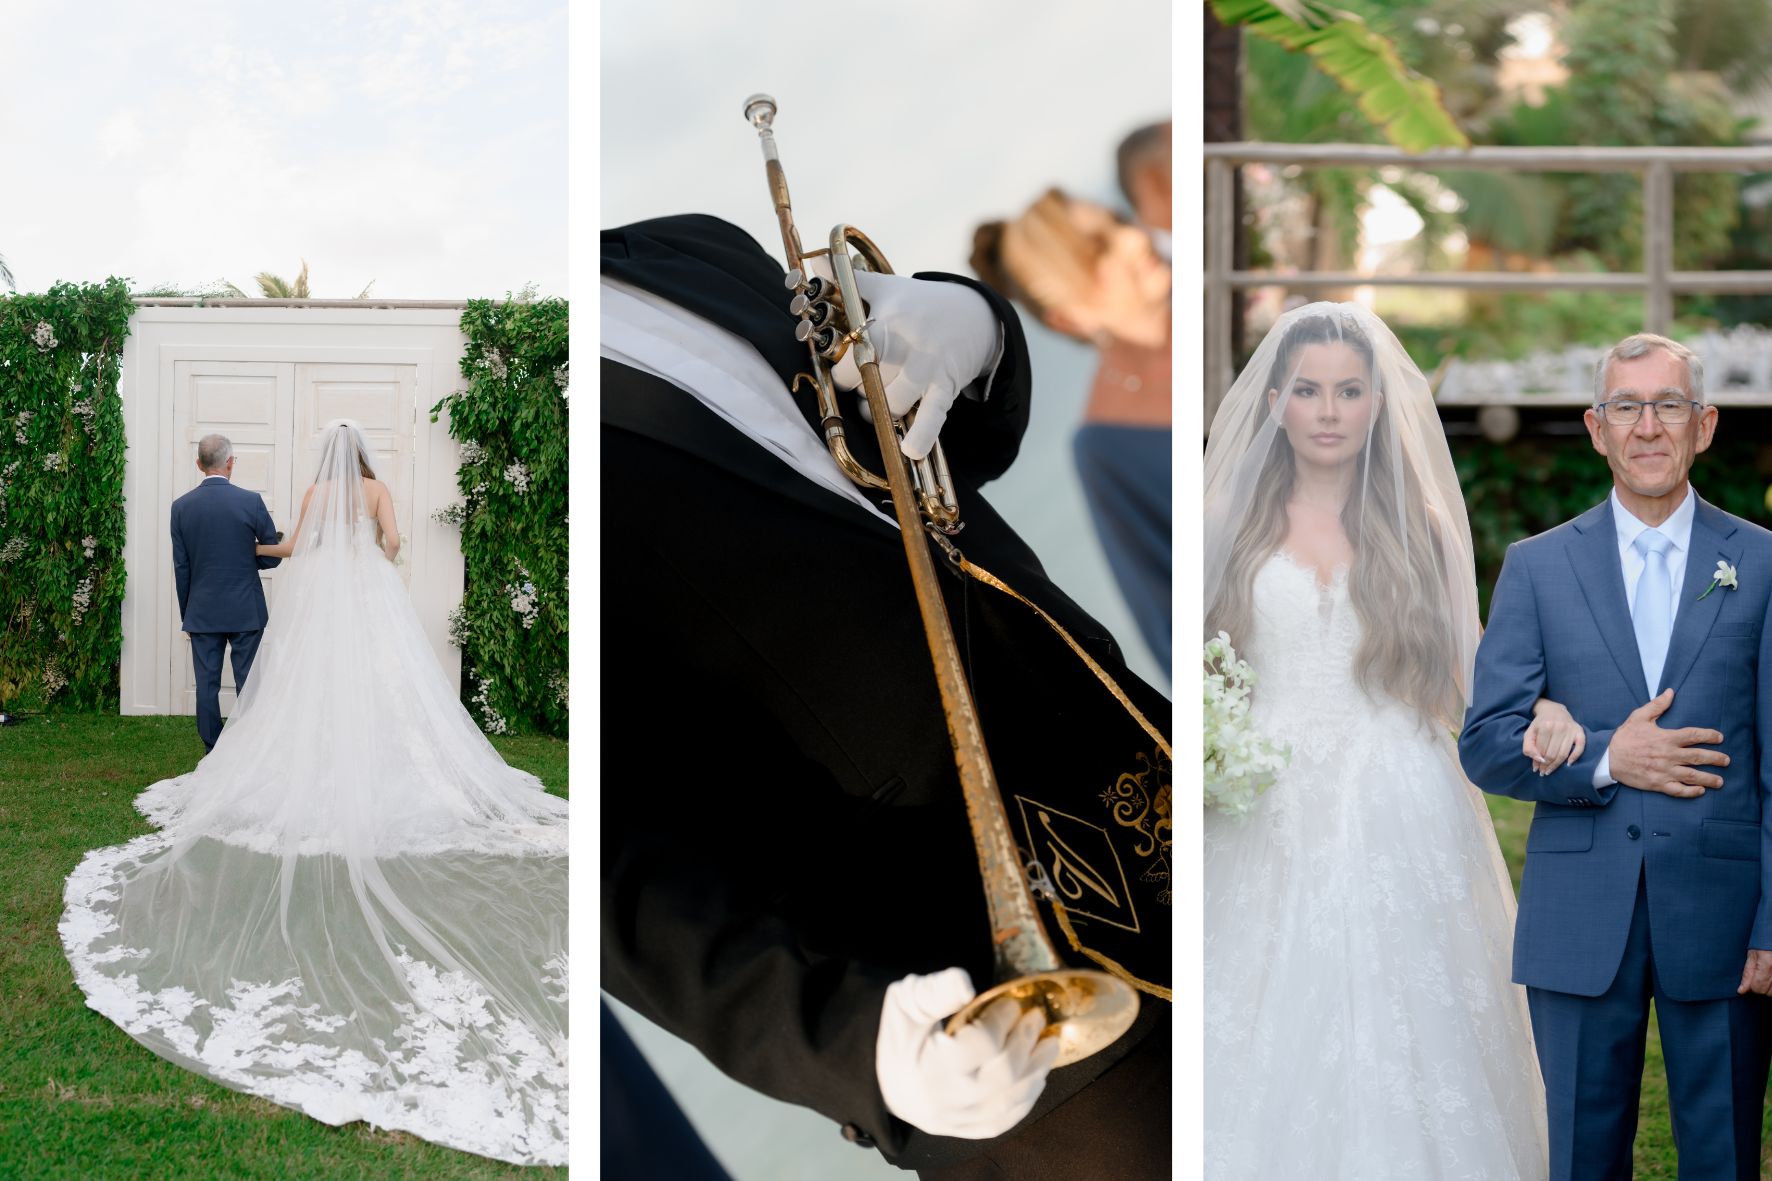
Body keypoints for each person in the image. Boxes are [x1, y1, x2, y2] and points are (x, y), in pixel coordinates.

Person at [602, 212, 1172, 1179]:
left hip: (1151, 788)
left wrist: (979, 330)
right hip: (985, 1000)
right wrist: (856, 1044)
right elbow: (612, 866)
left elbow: (930, 454)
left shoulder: (691, 245)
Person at [60, 420, 567, 1165]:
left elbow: (293, 548)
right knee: (382, 689)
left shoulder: (312, 491)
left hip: (325, 598)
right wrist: (381, 554)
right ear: (364, 454)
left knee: (311, 690)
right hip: (368, 596)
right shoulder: (376, 489)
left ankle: (280, 758)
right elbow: (393, 542)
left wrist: (259, 551)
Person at [1202, 303, 1547, 1177]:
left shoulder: (1419, 525)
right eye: (1308, 390)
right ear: (1275, 402)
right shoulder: (1227, 524)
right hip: (1261, 796)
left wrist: (1553, 714)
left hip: (1398, 792)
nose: (1328, 411)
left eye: (1349, 391)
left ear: (1377, 404)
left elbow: (1476, 676)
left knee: (1411, 1014)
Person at [1458, 333, 1772, 1181]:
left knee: (1725, 1154)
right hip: (1579, 916)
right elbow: (1485, 742)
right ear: (1597, 428)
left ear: (1704, 424)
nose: (1648, 426)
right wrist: (1606, 758)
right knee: (1580, 1159)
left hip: (1726, 914)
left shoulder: (1763, 562)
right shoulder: (1537, 566)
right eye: (1627, 406)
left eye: (1668, 404)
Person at [971, 183, 1172, 677]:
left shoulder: (1226, 297)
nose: (1134, 240)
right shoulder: (1105, 448)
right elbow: (1171, 625)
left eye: (1118, 222)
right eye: (1099, 249)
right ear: (1068, 317)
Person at [169, 433, 283, 751]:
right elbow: (273, 556)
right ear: (230, 462)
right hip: (246, 608)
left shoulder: (181, 508)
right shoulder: (251, 501)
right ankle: (248, 749)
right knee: (249, 684)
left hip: (202, 610)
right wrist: (245, 558)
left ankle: (213, 749)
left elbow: (182, 567)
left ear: (198, 464)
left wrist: (188, 614)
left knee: (206, 684)